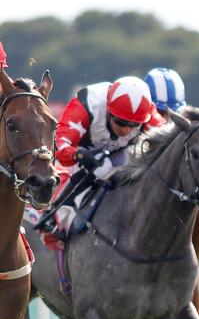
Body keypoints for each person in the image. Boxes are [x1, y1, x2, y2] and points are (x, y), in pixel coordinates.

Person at [37, 76, 166, 240]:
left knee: (135, 167)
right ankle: (54, 213)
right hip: (84, 150)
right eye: (120, 122)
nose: (126, 130)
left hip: (121, 151)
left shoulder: (149, 114)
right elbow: (59, 146)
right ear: (108, 110)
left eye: (134, 125)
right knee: (102, 168)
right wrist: (79, 155)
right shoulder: (86, 104)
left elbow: (169, 145)